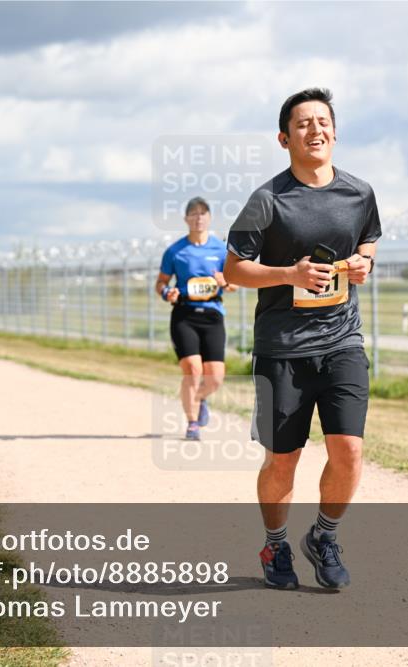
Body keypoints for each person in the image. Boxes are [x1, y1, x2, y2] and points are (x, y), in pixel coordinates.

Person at [224, 88, 381, 590]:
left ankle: (324, 536)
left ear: (335, 131)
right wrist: (288, 274)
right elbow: (234, 270)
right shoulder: (267, 199)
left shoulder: (360, 193)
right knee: (282, 459)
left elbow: (369, 241)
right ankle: (275, 544)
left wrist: (364, 263)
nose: (315, 130)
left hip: (342, 343)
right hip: (282, 351)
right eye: (303, 124)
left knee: (349, 451)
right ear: (284, 138)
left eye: (323, 122)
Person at [154, 197, 238, 441]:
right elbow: (160, 283)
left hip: (212, 315)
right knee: (193, 369)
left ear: (209, 218)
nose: (198, 217)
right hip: (184, 314)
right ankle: (192, 424)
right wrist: (166, 293)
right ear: (186, 219)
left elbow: (233, 284)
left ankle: (199, 400)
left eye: (203, 213)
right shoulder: (175, 251)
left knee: (215, 377)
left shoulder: (221, 250)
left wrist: (226, 282)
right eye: (193, 213)